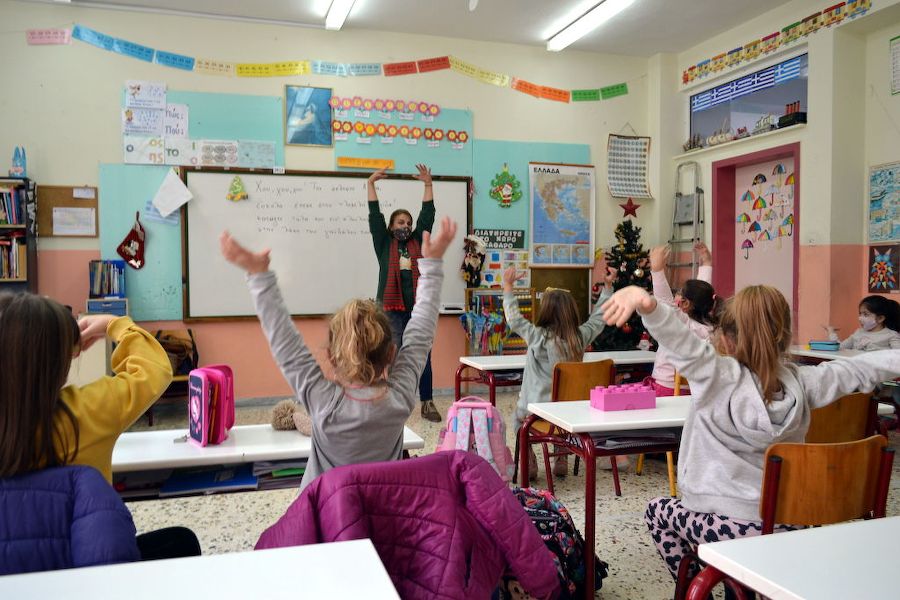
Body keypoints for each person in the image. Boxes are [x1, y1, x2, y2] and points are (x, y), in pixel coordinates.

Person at [600, 284, 900, 582]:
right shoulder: (805, 382)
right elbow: (857, 369)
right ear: (784, 337)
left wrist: (649, 306)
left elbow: (680, 341)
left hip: (728, 525)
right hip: (791, 522)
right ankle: (742, 583)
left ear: (726, 339)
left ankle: (699, 588)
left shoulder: (716, 377)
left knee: (657, 511)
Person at [220, 217, 457, 491]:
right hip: (378, 511)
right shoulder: (398, 399)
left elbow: (285, 344)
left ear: (332, 356)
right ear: (391, 354)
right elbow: (419, 336)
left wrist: (259, 275)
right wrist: (431, 266)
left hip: (322, 513)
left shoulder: (323, 401)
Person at [0, 292, 200, 561]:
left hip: (13, 572)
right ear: (58, 362)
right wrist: (114, 324)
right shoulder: (85, 411)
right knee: (182, 541)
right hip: (82, 564)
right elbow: (154, 369)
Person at [503, 256, 616, 478]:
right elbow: (599, 319)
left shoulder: (538, 336)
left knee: (516, 418)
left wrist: (508, 287)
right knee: (557, 415)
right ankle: (561, 454)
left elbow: (515, 320)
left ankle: (529, 458)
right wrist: (608, 287)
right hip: (570, 412)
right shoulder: (580, 336)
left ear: (545, 311)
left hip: (536, 412)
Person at [367, 164, 441, 422]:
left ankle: (427, 402)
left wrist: (428, 184)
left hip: (418, 310)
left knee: (423, 355)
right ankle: (393, 401)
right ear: (390, 226)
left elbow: (427, 216)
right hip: (390, 311)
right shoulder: (384, 242)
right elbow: (374, 216)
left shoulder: (418, 241)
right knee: (392, 355)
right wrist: (370, 184)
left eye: (408, 223)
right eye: (400, 222)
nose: (406, 226)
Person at [645, 242, 717, 395]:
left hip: (667, 388)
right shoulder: (711, 327)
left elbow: (664, 302)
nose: (676, 295)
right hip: (698, 392)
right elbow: (701, 293)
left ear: (685, 303)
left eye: (679, 292)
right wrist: (707, 263)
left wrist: (657, 270)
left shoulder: (680, 322)